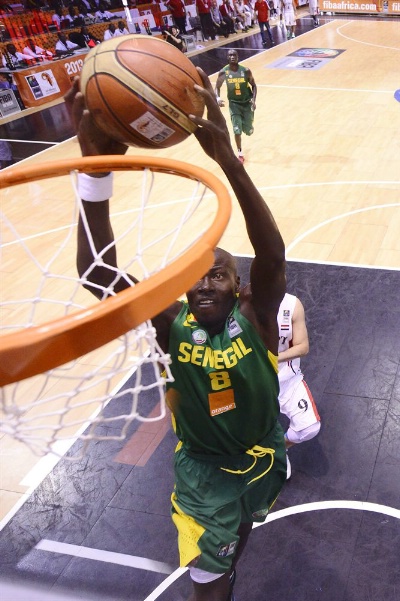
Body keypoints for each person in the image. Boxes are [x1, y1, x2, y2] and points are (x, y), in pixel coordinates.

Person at [66, 64, 287, 601]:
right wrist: (94, 168)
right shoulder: (171, 326)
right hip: (203, 475)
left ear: (240, 287)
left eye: (219, 274)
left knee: (240, 533)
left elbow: (271, 252)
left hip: (263, 455)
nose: (206, 283)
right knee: (207, 586)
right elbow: (97, 273)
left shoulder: (257, 318)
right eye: (196, 276)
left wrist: (227, 163)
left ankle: (230, 553)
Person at [277, 293, 321, 479]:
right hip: (253, 383)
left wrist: (271, 359)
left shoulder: (291, 304)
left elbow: (303, 347)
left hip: (287, 381)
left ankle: (279, 450)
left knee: (309, 428)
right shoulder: (241, 303)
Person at [215, 48, 256, 164]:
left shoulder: (246, 71)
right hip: (234, 105)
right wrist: (217, 98)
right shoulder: (224, 72)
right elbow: (217, 87)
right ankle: (240, 154)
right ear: (227, 58)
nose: (232, 57)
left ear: (238, 57)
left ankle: (248, 126)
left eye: (234, 55)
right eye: (230, 55)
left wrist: (253, 100)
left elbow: (254, 86)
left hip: (246, 103)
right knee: (236, 130)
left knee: (248, 131)